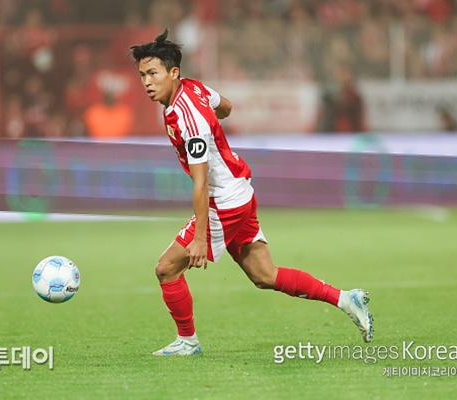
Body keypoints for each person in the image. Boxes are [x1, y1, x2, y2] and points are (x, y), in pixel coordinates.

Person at [129, 30, 374, 356]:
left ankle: (187, 342)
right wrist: (214, 121)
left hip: (225, 200)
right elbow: (226, 107)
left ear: (173, 73)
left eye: (153, 73)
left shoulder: (189, 119)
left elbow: (201, 182)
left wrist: (200, 238)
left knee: (166, 268)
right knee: (264, 275)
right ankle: (346, 299)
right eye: (143, 75)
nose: (147, 82)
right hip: (241, 191)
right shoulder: (193, 87)